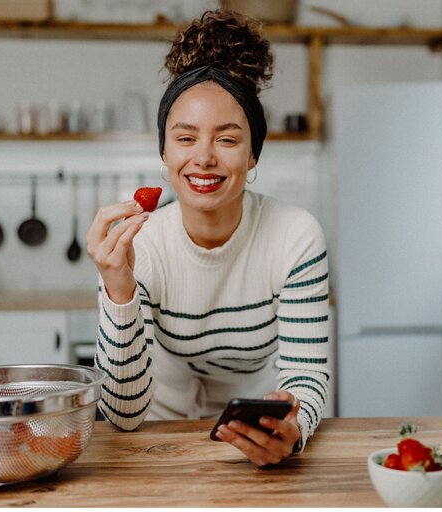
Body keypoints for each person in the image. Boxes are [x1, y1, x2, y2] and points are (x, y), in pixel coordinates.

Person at [86, 9, 330, 467]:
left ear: (253, 154)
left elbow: (306, 372)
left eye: (227, 139)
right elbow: (119, 416)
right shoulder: (138, 245)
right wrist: (119, 290)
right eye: (185, 138)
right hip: (157, 426)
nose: (203, 158)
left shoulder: (296, 236)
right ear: (163, 150)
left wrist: (293, 428)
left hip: (254, 422)